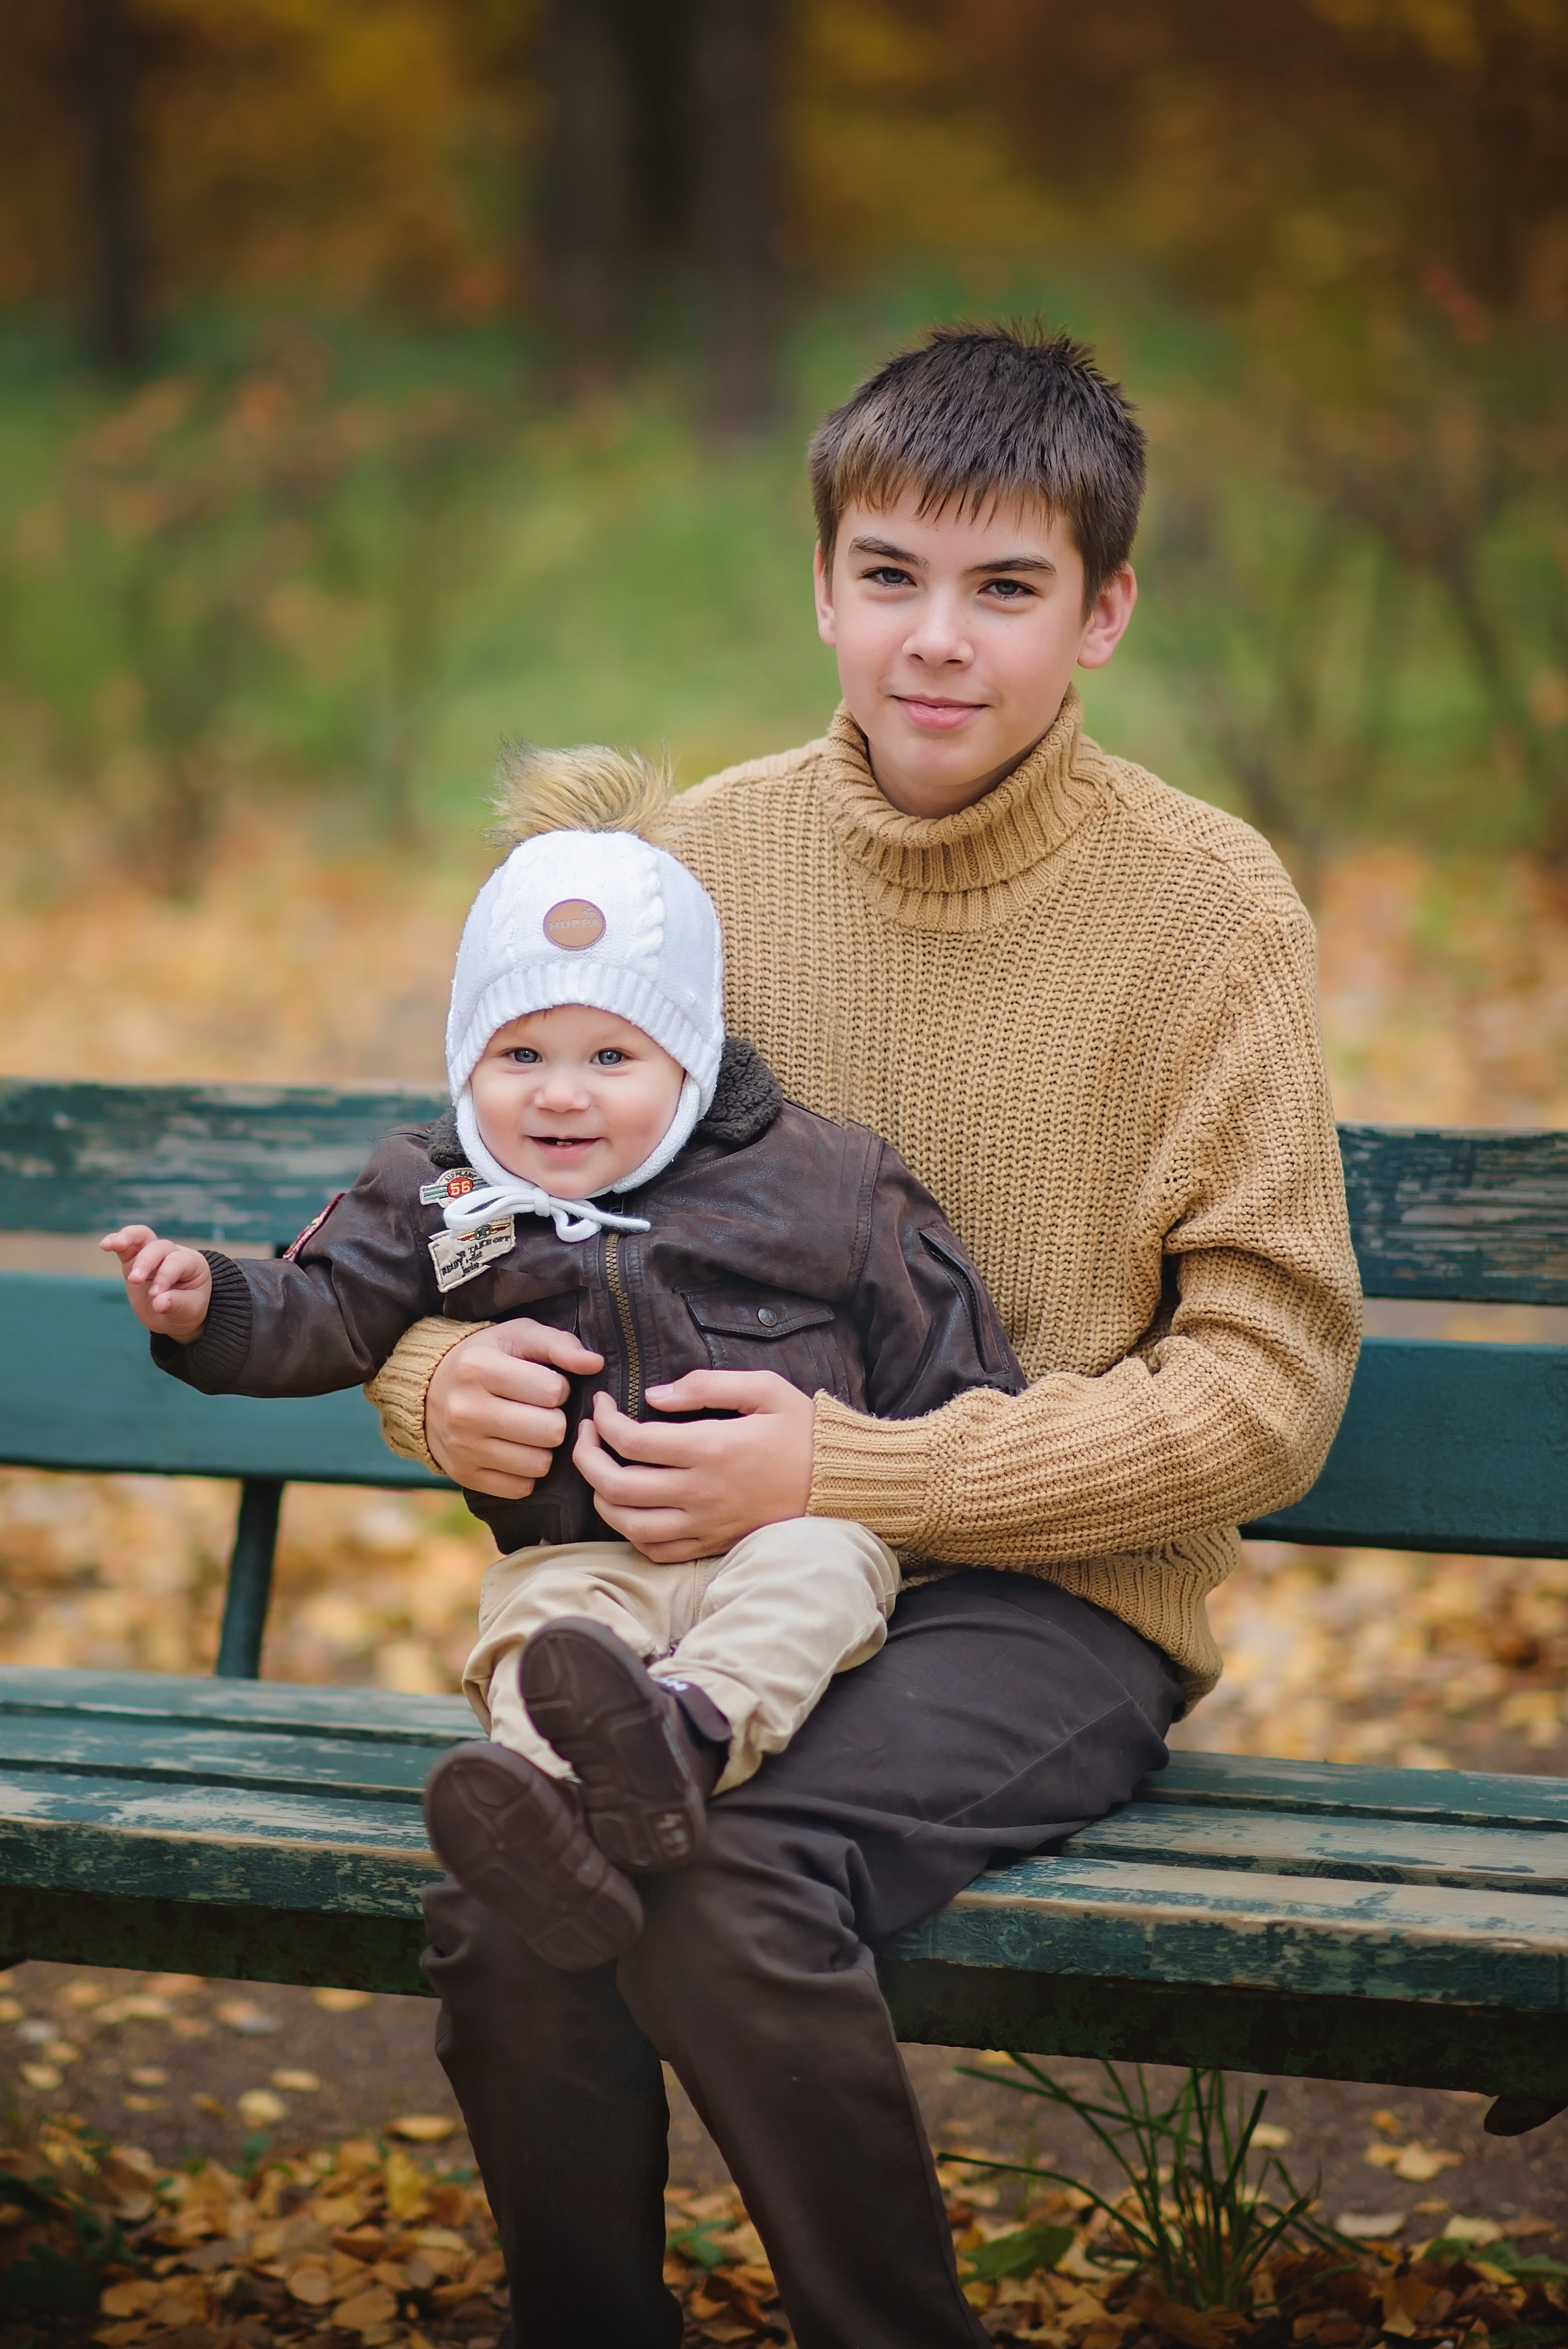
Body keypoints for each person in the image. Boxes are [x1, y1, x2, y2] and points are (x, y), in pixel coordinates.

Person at [372, 324, 1360, 2348]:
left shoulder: (1208, 905)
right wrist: (433, 1382)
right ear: (823, 583)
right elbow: (475, 1210)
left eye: (1007, 588)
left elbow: (1270, 1385)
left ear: (1105, 612)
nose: (938, 640)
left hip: (1042, 1593)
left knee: (729, 1880)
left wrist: (858, 1472)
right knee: (520, 1874)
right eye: (893, 575)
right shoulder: (691, 876)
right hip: (685, 1571)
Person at [101, 744, 1023, 1980]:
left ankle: (683, 1740)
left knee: (822, 1563)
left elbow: (949, 1371)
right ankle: (546, 1836)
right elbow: (322, 1309)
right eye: (520, 1055)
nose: (561, 1098)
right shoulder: (442, 1189)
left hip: (773, 1542)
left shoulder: (820, 1182)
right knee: (535, 1642)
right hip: (581, 1566)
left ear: (688, 1059)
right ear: (465, 1059)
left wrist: (889, 1467)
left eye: (610, 1059)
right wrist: (203, 1300)